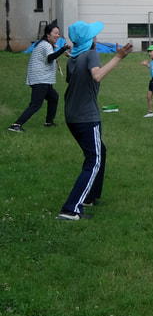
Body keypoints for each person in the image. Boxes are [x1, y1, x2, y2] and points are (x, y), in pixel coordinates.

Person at [57, 21, 133, 221]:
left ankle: (90, 196)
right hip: (86, 117)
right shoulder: (91, 54)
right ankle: (70, 209)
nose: (96, 37)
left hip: (71, 116)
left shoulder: (73, 59)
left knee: (100, 151)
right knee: (94, 160)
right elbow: (97, 76)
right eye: (93, 35)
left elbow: (74, 80)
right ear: (89, 40)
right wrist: (118, 57)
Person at [10, 20, 71, 132]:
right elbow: (50, 58)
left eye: (59, 33)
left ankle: (49, 122)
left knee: (54, 97)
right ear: (48, 34)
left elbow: (50, 56)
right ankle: (16, 124)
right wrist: (63, 49)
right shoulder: (45, 45)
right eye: (55, 33)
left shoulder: (46, 44)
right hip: (40, 80)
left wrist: (59, 49)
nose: (58, 35)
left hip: (43, 80)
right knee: (36, 104)